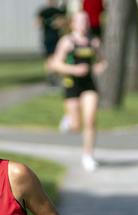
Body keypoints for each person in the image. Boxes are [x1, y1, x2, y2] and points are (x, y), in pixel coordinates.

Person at [49, 11, 107, 172]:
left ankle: (88, 155)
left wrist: (98, 68)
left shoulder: (93, 42)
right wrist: (74, 70)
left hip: (89, 84)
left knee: (90, 119)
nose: (84, 24)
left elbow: (103, 61)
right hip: (71, 84)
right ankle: (69, 120)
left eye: (86, 21)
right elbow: (55, 64)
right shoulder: (67, 42)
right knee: (76, 126)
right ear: (73, 24)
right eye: (80, 21)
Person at [37, 0, 67, 85]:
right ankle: (51, 77)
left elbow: (64, 23)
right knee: (49, 58)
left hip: (57, 38)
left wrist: (57, 23)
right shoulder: (43, 11)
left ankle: (57, 77)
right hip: (48, 38)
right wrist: (48, 22)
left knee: (58, 57)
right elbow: (37, 23)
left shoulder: (58, 11)